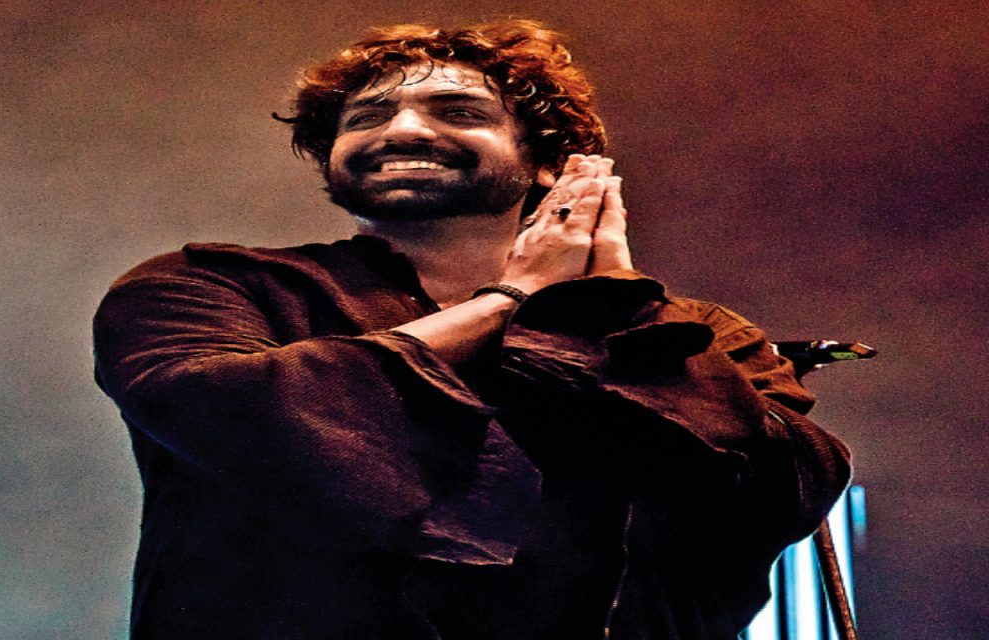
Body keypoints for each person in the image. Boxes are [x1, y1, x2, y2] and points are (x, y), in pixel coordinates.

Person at [93, 20, 851, 639]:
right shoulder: (210, 286)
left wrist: (618, 309)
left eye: (457, 113)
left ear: (550, 163)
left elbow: (784, 490)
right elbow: (232, 411)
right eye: (367, 118)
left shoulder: (699, 332)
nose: (403, 129)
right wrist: (514, 298)